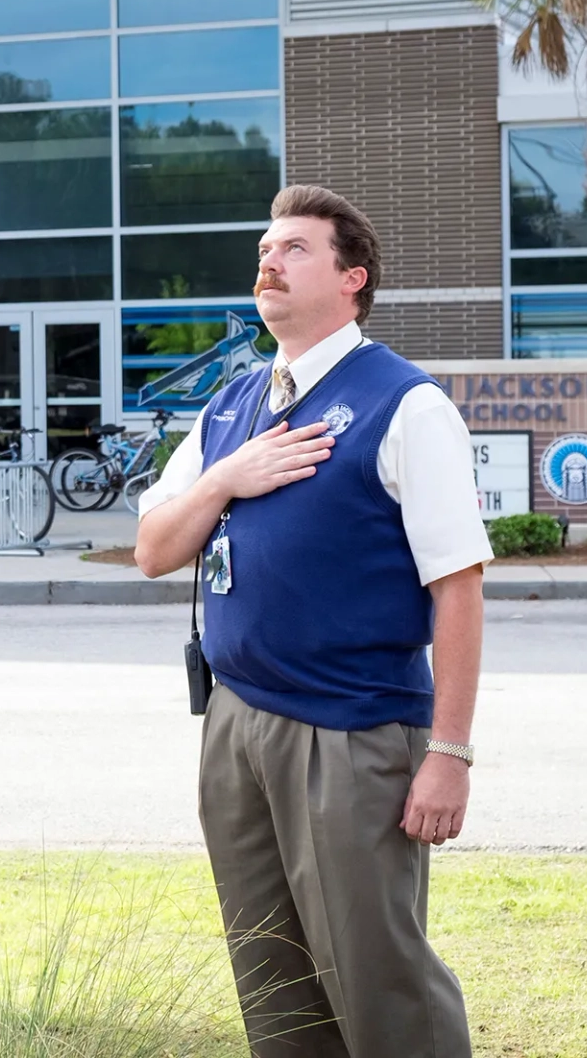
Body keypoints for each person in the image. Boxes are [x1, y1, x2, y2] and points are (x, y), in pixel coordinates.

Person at [134, 184, 490, 1058]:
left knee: (379, 980)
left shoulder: (406, 404)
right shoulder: (232, 407)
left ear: (352, 278)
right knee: (274, 985)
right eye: (265, 247)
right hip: (237, 722)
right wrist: (227, 477)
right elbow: (151, 548)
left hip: (353, 733)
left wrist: (448, 754)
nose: (268, 261)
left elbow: (459, 588)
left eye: (294, 248)